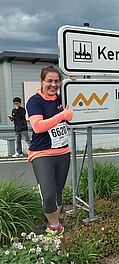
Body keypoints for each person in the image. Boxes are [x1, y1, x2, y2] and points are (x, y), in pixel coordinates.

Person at [26, 65, 73, 238]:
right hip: (42, 154)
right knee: (47, 195)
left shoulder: (62, 98)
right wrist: (62, 115)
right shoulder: (35, 101)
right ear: (42, 81)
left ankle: (57, 224)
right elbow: (38, 127)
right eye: (49, 81)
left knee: (58, 192)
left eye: (57, 81)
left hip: (62, 152)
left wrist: (73, 84)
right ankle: (55, 226)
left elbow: (73, 112)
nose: (53, 84)